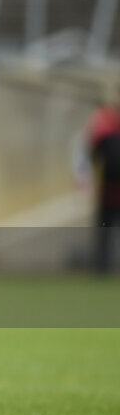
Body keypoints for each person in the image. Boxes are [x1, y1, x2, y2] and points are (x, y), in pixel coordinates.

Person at [82, 83, 120, 273]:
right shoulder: (105, 119)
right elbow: (93, 153)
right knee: (104, 234)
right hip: (109, 191)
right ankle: (101, 269)